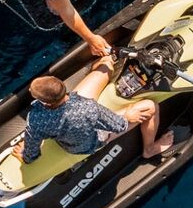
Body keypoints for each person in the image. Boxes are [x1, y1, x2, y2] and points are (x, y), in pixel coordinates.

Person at [21, 55, 174, 163]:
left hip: (68, 141)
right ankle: (149, 149)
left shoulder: (35, 119)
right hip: (93, 142)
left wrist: (27, 157)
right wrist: (129, 115)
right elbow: (119, 125)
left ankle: (106, 62)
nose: (29, 92)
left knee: (105, 66)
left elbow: (31, 146)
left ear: (45, 102)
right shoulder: (89, 107)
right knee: (151, 107)